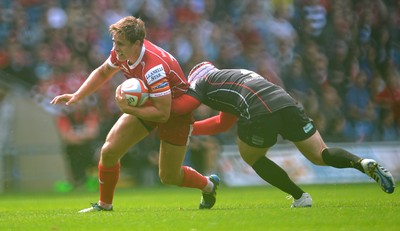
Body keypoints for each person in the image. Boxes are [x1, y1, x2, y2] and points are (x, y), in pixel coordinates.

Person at [51, 16, 219, 212]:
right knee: (109, 151)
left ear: (137, 44)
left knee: (168, 176)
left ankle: (209, 185)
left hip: (175, 113)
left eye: (120, 44)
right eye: (115, 42)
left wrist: (129, 108)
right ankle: (105, 206)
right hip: (150, 103)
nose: (116, 48)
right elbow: (104, 71)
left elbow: (163, 114)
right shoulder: (121, 52)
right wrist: (77, 95)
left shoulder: (153, 68)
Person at [171, 61, 396, 208]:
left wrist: (172, 120)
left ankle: (300, 197)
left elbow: (188, 104)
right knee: (320, 154)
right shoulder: (234, 76)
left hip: (259, 110)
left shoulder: (202, 81)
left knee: (252, 157)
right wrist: (193, 129)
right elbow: (222, 123)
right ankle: (363, 163)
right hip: (285, 102)